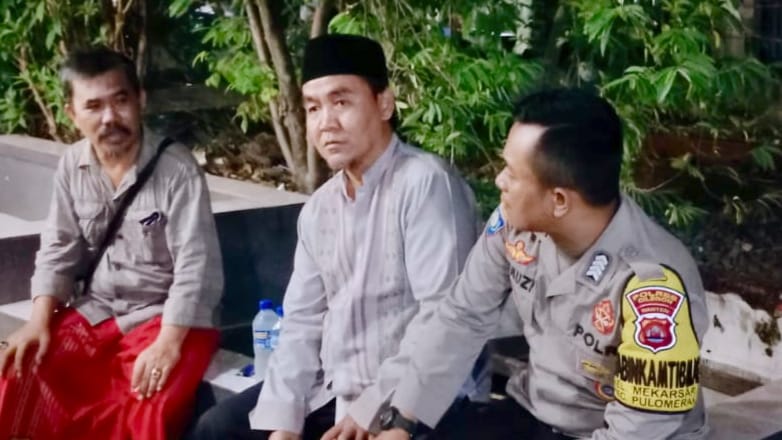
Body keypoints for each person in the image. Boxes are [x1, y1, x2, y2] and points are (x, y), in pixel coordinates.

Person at [188, 34, 487, 440]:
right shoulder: (320, 208)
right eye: (313, 107)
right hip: (335, 391)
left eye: (341, 102)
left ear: (384, 104)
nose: (325, 122)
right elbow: (302, 322)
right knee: (219, 429)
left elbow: (441, 320)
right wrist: (284, 423)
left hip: (420, 398)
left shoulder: (426, 184)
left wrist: (370, 410)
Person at [374, 88, 709, 440]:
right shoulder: (515, 225)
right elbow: (464, 316)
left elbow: (639, 429)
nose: (499, 180)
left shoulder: (652, 285)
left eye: (512, 173)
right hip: (535, 414)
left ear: (559, 200)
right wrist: (403, 422)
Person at [0, 47, 224, 439]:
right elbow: (58, 247)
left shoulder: (178, 170)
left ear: (140, 100)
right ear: (72, 113)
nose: (109, 118)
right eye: (93, 106)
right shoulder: (72, 165)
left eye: (120, 101)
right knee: (21, 372)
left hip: (169, 318)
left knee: (143, 406)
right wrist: (38, 321)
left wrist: (168, 343)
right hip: (97, 312)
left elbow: (196, 269)